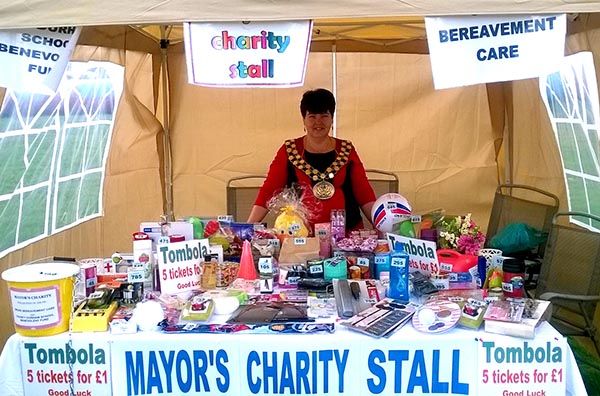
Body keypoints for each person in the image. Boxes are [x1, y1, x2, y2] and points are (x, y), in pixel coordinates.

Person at [247, 88, 376, 233]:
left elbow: (364, 194)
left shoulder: (346, 149)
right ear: (303, 119)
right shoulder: (289, 150)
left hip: (347, 236)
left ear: (332, 118)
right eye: (312, 116)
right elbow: (269, 190)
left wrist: (381, 226)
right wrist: (249, 226)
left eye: (324, 115)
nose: (318, 122)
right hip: (300, 235)